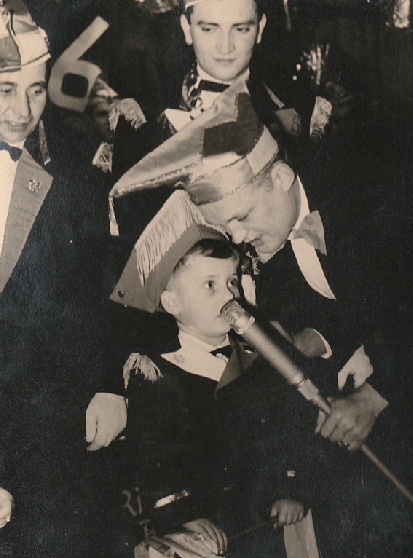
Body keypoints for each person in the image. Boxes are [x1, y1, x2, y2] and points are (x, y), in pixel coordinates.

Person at [108, 189, 333, 558]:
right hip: (204, 550)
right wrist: (182, 515)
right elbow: (153, 459)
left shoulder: (261, 360)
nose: (229, 297)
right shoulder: (156, 372)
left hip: (264, 533)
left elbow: (289, 431)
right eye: (209, 285)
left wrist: (292, 487)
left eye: (232, 282)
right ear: (171, 300)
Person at [109, 76, 388, 453]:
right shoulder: (276, 231)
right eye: (227, 228)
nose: (238, 238)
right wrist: (305, 341)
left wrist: (372, 398)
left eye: (241, 217)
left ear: (282, 177)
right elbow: (346, 301)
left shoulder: (365, 207)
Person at [0, 2, 131, 558]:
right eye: (4, 89)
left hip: (40, 420)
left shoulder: (73, 176)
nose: (22, 112)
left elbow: (94, 291)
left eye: (34, 91)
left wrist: (108, 383)